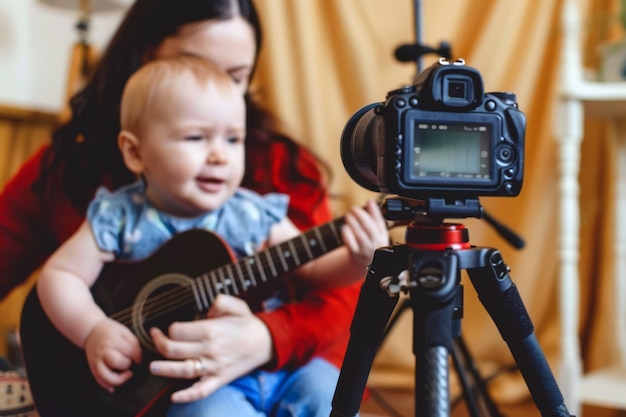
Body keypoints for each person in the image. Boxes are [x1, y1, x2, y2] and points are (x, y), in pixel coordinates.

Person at [0, 0, 387, 415]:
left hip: (284, 369)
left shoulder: (259, 195)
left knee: (328, 397)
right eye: (195, 65)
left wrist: (354, 263)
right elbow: (52, 273)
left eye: (235, 77)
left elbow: (329, 284)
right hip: (162, 390)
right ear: (143, 56)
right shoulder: (95, 193)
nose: (215, 93)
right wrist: (93, 331)